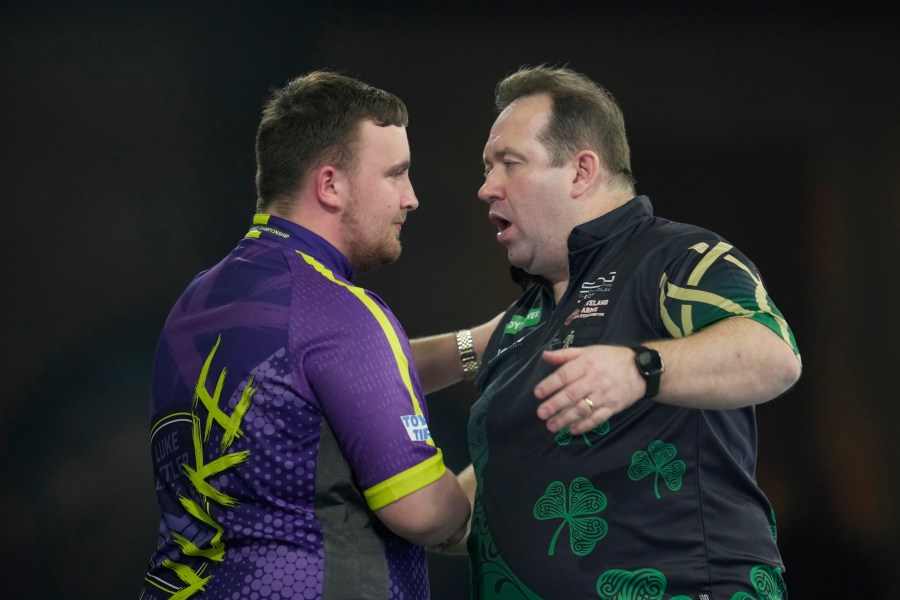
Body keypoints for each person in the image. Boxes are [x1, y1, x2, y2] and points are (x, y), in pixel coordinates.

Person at [430, 66, 802, 599]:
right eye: (487, 168)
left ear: (581, 172)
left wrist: (638, 368)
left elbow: (773, 355)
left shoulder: (677, 257)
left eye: (509, 164)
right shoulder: (524, 321)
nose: (486, 188)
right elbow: (479, 505)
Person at [139, 71, 485, 600]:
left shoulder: (195, 302)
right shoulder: (339, 310)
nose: (411, 198)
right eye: (396, 174)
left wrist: (478, 346)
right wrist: (505, 456)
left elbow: (322, 384)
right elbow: (424, 514)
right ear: (330, 185)